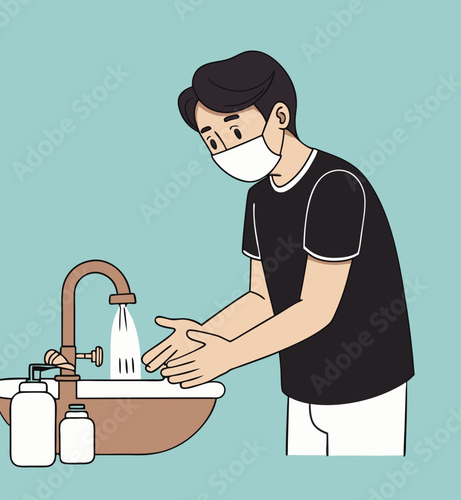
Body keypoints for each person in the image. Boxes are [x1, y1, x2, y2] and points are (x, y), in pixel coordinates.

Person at [142, 51, 414, 456]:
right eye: (211, 141)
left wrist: (229, 355)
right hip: (303, 386)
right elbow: (261, 298)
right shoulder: (259, 198)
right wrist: (207, 335)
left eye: (234, 132)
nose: (224, 150)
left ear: (280, 116)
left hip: (367, 385)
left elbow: (316, 308)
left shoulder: (334, 186)